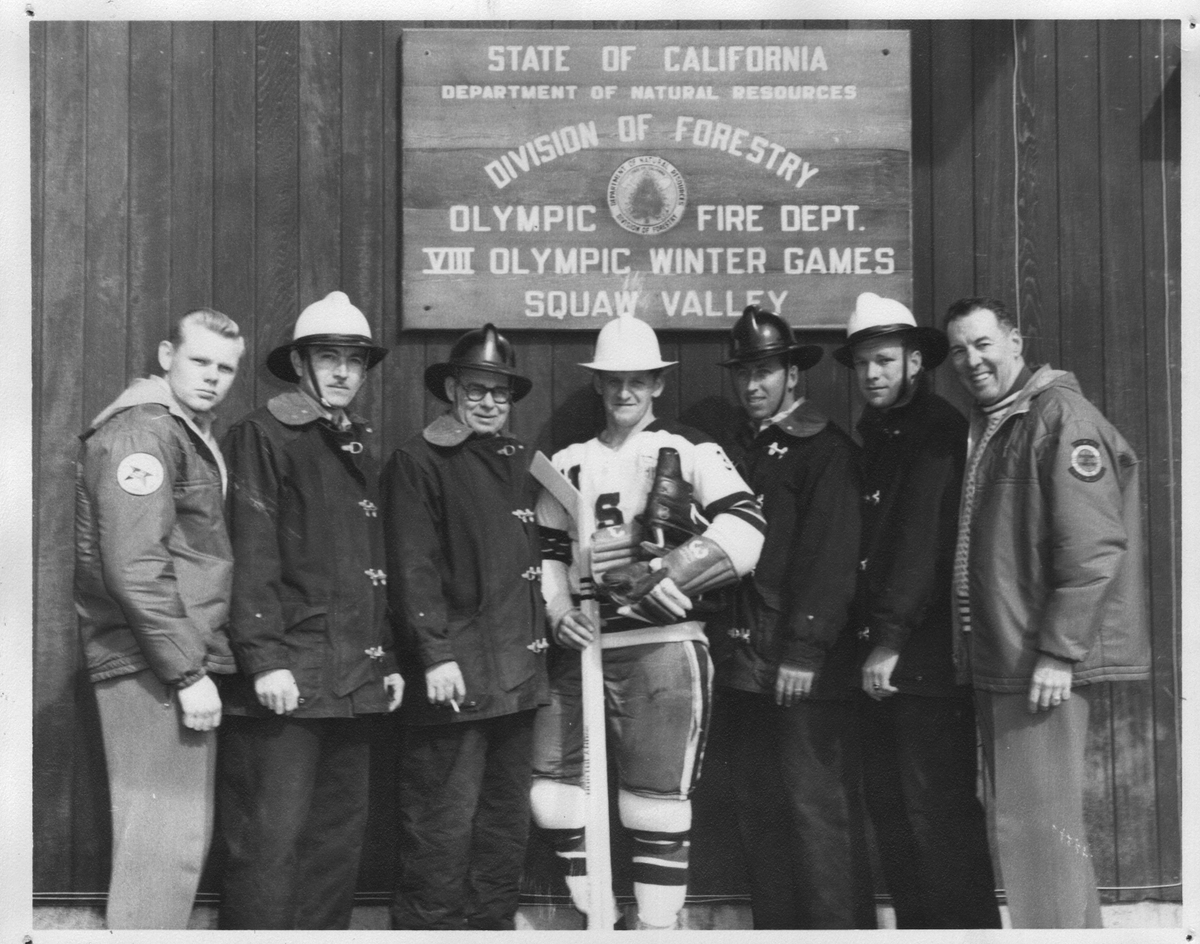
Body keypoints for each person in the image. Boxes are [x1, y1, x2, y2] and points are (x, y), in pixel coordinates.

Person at [531, 316, 765, 930]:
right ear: (599, 386)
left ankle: (657, 929)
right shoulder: (567, 460)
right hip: (584, 643)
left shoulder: (691, 447)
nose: (625, 393)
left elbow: (746, 531)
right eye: (614, 381)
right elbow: (547, 554)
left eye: (638, 380)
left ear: (659, 383)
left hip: (663, 643)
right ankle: (598, 913)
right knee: (551, 794)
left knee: (656, 803)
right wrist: (558, 613)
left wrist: (665, 572)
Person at [944, 296, 1150, 928]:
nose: (971, 361)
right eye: (958, 351)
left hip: (1036, 661)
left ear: (1015, 342)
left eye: (982, 344)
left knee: (1038, 838)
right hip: (1005, 657)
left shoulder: (1058, 417)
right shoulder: (998, 421)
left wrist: (1060, 651)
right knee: (1040, 837)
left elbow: (1094, 548)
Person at [216, 290, 403, 929]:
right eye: (329, 357)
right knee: (269, 843)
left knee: (335, 843)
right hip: (288, 677)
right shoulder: (264, 435)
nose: (344, 372)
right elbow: (252, 552)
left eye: (355, 360)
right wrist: (264, 661)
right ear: (300, 364)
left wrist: (389, 659)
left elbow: (368, 572)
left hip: (352, 679)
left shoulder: (353, 444)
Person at [833, 292, 1000, 928]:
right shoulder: (878, 432)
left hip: (920, 660)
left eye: (884, 360)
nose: (872, 374)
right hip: (883, 658)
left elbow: (923, 545)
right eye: (862, 364)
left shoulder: (935, 430)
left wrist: (891, 639)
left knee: (939, 816)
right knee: (896, 816)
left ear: (912, 363)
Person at [74, 308, 245, 928]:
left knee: (173, 844)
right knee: (161, 849)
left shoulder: (181, 430)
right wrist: (185, 671)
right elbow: (133, 565)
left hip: (167, 657)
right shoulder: (142, 433)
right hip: (151, 662)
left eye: (226, 368)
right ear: (166, 355)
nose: (213, 378)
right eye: (200, 361)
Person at [705, 304, 874, 929]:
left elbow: (832, 560)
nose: (754, 385)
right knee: (760, 811)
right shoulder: (732, 448)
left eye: (767, 371)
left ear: (792, 376)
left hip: (802, 669)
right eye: (745, 373)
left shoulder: (824, 449)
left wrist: (804, 651)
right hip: (746, 666)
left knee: (816, 814)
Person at [382, 324, 549, 930]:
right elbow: (411, 567)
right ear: (451, 389)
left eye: (499, 394)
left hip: (518, 679)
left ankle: (492, 929)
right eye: (476, 390)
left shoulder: (522, 461)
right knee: (441, 823)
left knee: (505, 823)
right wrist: (434, 655)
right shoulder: (418, 460)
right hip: (454, 678)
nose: (487, 403)